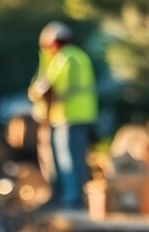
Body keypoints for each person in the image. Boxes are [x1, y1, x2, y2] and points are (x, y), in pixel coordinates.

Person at [28, 21, 98, 208]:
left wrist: (39, 95)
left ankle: (73, 199)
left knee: (69, 160)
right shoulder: (77, 56)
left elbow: (53, 88)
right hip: (75, 116)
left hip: (69, 116)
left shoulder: (65, 58)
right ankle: (70, 197)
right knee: (73, 158)